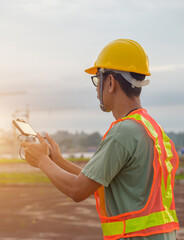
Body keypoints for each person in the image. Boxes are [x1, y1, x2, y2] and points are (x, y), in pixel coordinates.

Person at [21, 39, 179, 240]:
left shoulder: (124, 131)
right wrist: (58, 161)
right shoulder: (151, 128)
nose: (97, 89)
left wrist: (41, 161)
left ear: (111, 82)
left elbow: (77, 190)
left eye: (98, 80)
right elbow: (97, 181)